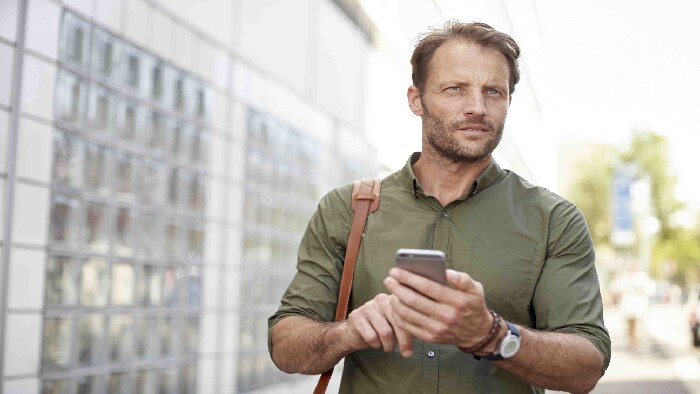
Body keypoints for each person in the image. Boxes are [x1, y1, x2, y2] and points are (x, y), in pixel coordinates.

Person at [268, 21, 611, 393]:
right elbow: (286, 349)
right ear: (416, 100)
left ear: (508, 102)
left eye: (493, 92)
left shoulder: (554, 220)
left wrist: (491, 334)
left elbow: (586, 367)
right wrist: (348, 332)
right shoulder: (349, 208)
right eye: (455, 90)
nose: (477, 107)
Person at [610, 263, 654, 351]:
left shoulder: (642, 277)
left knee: (636, 325)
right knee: (629, 325)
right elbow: (615, 288)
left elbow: (649, 289)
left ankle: (634, 342)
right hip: (626, 305)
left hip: (639, 306)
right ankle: (631, 341)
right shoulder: (623, 277)